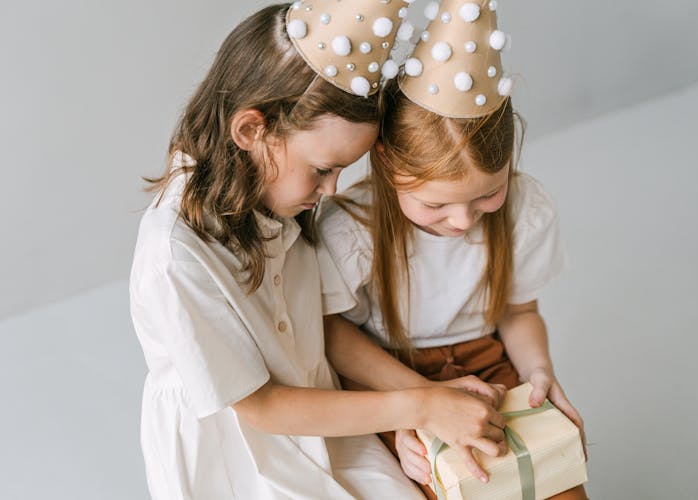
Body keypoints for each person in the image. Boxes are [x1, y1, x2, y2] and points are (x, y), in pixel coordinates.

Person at [130, 3, 507, 499]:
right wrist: (420, 406)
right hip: (241, 452)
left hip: (328, 417)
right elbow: (263, 407)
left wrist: (426, 401)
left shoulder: (284, 200)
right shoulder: (176, 255)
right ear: (251, 131)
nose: (331, 190)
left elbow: (323, 333)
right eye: (323, 168)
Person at [316, 1, 587, 498]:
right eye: (435, 203)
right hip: (389, 377)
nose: (463, 221)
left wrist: (539, 373)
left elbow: (520, 312)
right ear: (387, 165)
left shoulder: (525, 210)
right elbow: (333, 335)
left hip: (489, 370)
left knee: (550, 482)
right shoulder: (352, 230)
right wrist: (414, 405)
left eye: (487, 194)